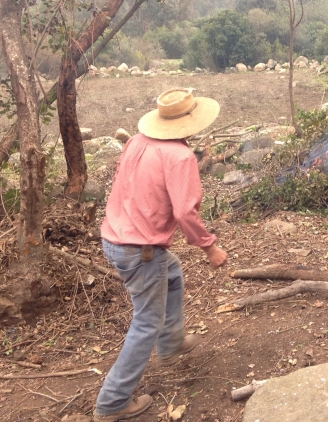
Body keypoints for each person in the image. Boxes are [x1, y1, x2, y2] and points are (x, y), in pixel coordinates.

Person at [93, 88, 229, 422]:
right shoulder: (180, 157)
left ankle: (170, 343)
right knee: (146, 322)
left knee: (172, 270)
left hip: (114, 238)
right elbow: (185, 213)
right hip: (141, 250)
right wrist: (210, 246)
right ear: (191, 122)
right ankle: (112, 404)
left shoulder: (137, 142)